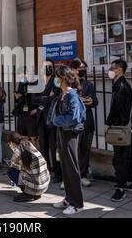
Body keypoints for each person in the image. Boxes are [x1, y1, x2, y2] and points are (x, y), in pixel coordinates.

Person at [49, 66, 85, 215]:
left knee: (71, 168)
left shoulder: (71, 95)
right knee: (65, 167)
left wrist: (56, 120)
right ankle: (69, 198)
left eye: (57, 77)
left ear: (63, 79)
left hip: (70, 134)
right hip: (62, 133)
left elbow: (74, 118)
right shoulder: (63, 94)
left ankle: (77, 203)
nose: (55, 80)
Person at [105, 59, 132, 202]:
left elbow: (116, 107)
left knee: (120, 158)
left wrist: (108, 122)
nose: (110, 69)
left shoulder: (121, 86)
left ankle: (121, 188)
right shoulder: (118, 84)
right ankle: (128, 182)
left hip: (120, 126)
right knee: (125, 156)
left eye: (113, 67)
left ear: (119, 70)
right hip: (123, 125)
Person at [70, 58, 98, 187]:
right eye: (80, 68)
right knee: (73, 150)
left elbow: (95, 100)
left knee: (85, 150)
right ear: (73, 69)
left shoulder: (89, 84)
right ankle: (71, 177)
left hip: (87, 121)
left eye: (84, 68)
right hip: (73, 122)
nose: (82, 71)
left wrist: (91, 101)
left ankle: (83, 175)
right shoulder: (68, 84)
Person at [33, 60, 62, 184]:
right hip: (40, 118)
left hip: (51, 118)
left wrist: (43, 99)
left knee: (53, 145)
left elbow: (57, 97)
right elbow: (33, 100)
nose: (46, 68)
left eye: (49, 66)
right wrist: (47, 98)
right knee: (43, 145)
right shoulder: (38, 82)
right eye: (44, 66)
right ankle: (45, 170)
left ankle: (56, 172)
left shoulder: (56, 81)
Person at [7, 132, 50, 202]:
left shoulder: (18, 151)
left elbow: (12, 164)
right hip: (44, 186)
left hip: (36, 187)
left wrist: (13, 149)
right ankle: (34, 193)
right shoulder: (29, 144)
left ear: (11, 143)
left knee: (11, 171)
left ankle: (28, 193)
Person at [14, 69, 39, 149]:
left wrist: (36, 110)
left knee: (33, 137)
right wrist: (17, 97)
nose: (20, 78)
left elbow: (39, 98)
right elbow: (19, 98)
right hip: (22, 113)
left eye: (21, 75)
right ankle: (27, 155)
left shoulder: (35, 83)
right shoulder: (21, 84)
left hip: (31, 113)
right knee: (23, 136)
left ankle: (36, 156)